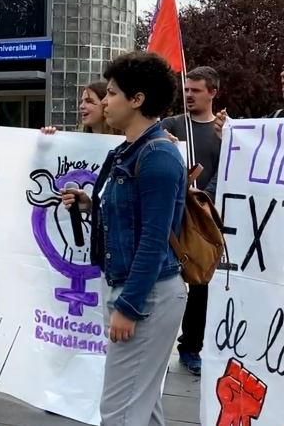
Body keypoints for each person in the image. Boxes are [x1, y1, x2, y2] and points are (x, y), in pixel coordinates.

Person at [62, 51, 186, 425]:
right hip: (135, 288)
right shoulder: (126, 152)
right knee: (143, 407)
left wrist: (129, 307)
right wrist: (87, 204)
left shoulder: (157, 156)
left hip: (145, 294)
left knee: (118, 412)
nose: (104, 101)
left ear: (137, 100)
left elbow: (153, 239)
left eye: (112, 93)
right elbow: (128, 217)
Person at [160, 66, 222, 376]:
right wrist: (161, 136)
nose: (188, 95)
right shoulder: (170, 125)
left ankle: (191, 347)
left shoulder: (224, 131)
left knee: (199, 281)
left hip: (203, 216)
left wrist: (204, 197)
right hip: (171, 213)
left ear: (213, 92)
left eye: (195, 90)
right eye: (186, 89)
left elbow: (228, 167)